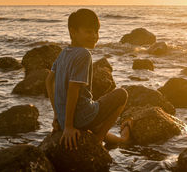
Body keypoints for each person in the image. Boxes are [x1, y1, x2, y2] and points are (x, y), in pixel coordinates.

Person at [45, 8, 132, 150]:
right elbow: (74, 89)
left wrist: (57, 115)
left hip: (64, 119)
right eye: (88, 31)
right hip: (81, 118)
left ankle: (122, 138)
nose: (94, 36)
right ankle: (99, 139)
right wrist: (68, 127)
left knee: (96, 123)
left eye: (96, 32)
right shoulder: (84, 54)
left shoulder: (63, 53)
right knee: (122, 94)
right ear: (73, 32)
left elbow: (49, 81)